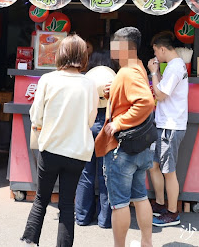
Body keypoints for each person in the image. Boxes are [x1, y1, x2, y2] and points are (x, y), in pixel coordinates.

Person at [21, 35, 98, 246]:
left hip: (51, 148)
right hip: (77, 152)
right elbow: (90, 119)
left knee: (41, 199)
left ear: (60, 54)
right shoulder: (89, 84)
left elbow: (36, 115)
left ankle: (30, 240)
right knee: (67, 204)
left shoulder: (48, 79)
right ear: (83, 56)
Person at [95, 27, 154, 247]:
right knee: (140, 198)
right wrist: (114, 90)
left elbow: (145, 102)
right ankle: (146, 243)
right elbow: (134, 95)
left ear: (127, 48)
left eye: (115, 44)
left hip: (122, 149)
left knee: (119, 204)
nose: (112, 48)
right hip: (139, 148)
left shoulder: (127, 72)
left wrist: (119, 122)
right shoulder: (136, 66)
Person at [147, 31, 189, 227]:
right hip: (164, 123)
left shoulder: (174, 67)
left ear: (162, 49)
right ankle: (161, 204)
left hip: (170, 126)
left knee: (168, 171)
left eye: (156, 50)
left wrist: (154, 73)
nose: (155, 55)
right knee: (155, 166)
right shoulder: (173, 66)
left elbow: (161, 94)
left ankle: (173, 213)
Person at [75, 50, 116, 228]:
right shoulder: (115, 82)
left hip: (86, 126)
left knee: (85, 174)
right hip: (107, 128)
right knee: (106, 175)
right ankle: (105, 220)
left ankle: (82, 217)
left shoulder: (84, 81)